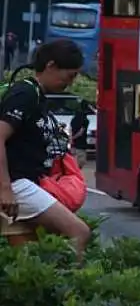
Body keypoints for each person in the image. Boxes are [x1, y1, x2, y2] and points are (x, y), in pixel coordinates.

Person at [0, 40, 91, 259]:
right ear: (50, 66)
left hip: (25, 181)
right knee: (79, 231)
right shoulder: (26, 94)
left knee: (26, 258)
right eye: (69, 76)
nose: (69, 84)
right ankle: (68, 286)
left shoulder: (38, 96)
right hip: (16, 183)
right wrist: (5, 188)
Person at [69, 101, 91, 169]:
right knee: (80, 163)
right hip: (81, 144)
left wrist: (71, 139)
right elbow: (81, 132)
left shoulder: (73, 119)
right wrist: (73, 138)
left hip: (74, 145)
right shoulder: (85, 120)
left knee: (73, 163)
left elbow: (70, 130)